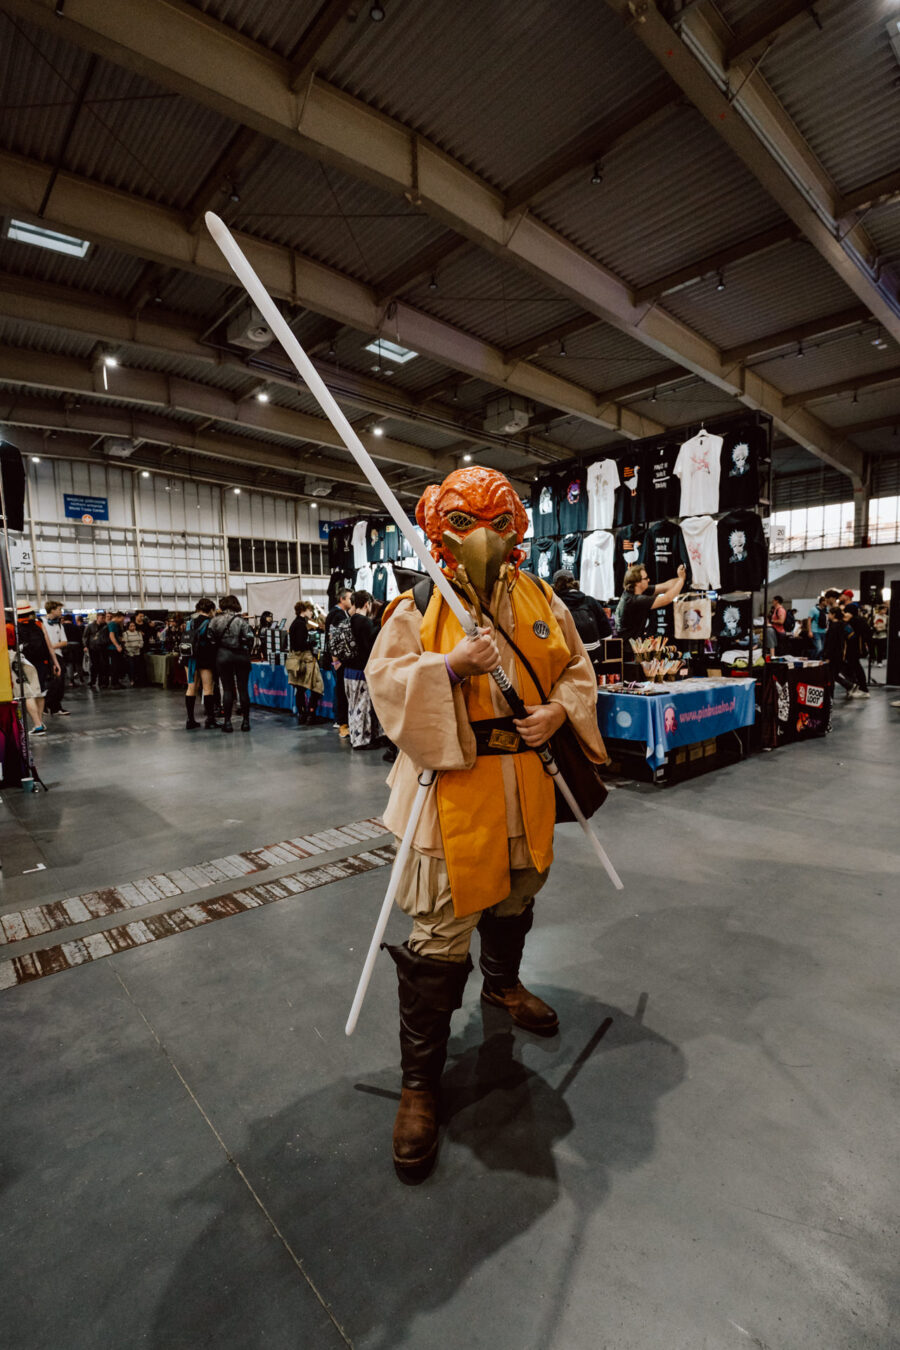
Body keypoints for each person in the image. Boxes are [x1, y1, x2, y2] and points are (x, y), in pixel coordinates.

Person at [366, 466, 607, 1181]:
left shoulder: (542, 599)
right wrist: (448, 665)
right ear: (441, 529)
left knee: (520, 890)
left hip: (526, 781)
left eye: (498, 522)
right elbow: (386, 684)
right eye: (467, 523)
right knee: (439, 929)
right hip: (451, 791)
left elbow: (576, 669)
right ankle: (419, 1084)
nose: (485, 538)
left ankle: (503, 983)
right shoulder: (415, 606)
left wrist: (560, 710)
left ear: (518, 529)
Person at [207, 595, 255, 733]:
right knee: (243, 689)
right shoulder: (242, 621)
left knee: (227, 690)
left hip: (223, 656)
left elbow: (210, 639)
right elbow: (249, 639)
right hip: (241, 656)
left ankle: (227, 723)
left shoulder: (214, 621)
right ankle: (245, 722)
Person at [552, 569, 611, 675]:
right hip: (594, 656)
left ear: (555, 585)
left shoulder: (556, 604)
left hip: (570, 657)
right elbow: (607, 633)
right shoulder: (589, 601)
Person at [343, 590, 382, 749]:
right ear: (367, 603)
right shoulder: (365, 623)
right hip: (361, 671)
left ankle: (354, 736)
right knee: (362, 707)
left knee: (353, 706)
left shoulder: (348, 621)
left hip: (348, 671)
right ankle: (361, 742)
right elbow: (371, 647)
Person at [614, 563, 686, 641]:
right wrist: (681, 580)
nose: (648, 580)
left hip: (632, 643)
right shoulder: (635, 600)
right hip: (629, 648)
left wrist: (681, 577)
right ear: (638, 583)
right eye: (646, 578)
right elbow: (667, 599)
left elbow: (665, 586)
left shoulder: (635, 590)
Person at [16, 602, 59, 717]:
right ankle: (40, 719)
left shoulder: (14, 626)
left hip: (24, 662)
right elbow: (49, 646)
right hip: (41, 662)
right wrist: (55, 663)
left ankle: (37, 723)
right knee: (40, 691)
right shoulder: (39, 624)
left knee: (28, 693)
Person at [7, 620, 47, 735]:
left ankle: (38, 725)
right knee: (37, 690)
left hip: (15, 659)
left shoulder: (9, 626)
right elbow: (46, 644)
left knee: (25, 692)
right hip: (35, 661)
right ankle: (39, 722)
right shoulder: (37, 624)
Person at [183, 598, 218, 729]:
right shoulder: (210, 622)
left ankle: (190, 720)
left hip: (189, 658)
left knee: (191, 687)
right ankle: (210, 720)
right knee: (208, 688)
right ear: (211, 609)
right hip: (205, 658)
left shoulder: (190, 622)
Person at [288, 600, 324, 724]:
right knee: (316, 686)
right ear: (304, 610)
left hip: (297, 660)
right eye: (309, 610)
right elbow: (300, 644)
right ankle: (310, 714)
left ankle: (302, 714)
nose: (311, 613)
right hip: (305, 660)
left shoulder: (296, 623)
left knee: (300, 688)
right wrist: (312, 643)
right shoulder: (300, 624)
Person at [325, 587, 353, 739]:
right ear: (342, 599)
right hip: (338, 661)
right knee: (341, 691)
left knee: (340, 690)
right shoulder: (337, 614)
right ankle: (340, 720)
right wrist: (336, 660)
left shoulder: (336, 613)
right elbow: (332, 636)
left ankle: (340, 719)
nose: (351, 601)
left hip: (337, 660)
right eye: (349, 598)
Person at [41, 600, 70, 717]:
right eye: (59, 609)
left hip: (58, 655)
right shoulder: (41, 623)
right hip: (45, 656)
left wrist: (51, 645)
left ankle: (54, 706)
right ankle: (48, 705)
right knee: (52, 681)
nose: (61, 611)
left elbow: (64, 642)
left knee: (60, 681)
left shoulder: (59, 624)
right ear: (52, 610)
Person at [842, 603, 870, 698]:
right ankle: (858, 687)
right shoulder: (860, 620)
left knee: (856, 668)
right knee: (854, 667)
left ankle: (863, 689)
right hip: (857, 648)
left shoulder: (855, 621)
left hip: (854, 648)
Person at [84, 610, 109, 687]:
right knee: (94, 665)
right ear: (97, 617)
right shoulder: (90, 626)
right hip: (93, 648)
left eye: (104, 618)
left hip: (103, 647)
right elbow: (85, 636)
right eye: (102, 618)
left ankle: (102, 682)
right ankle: (93, 680)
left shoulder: (106, 626)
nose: (103, 619)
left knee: (103, 665)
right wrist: (85, 646)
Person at [121, 620, 145, 686]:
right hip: (129, 652)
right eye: (131, 626)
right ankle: (132, 679)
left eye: (134, 626)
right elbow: (125, 643)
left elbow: (141, 641)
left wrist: (139, 646)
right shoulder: (125, 633)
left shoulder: (138, 633)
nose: (133, 627)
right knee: (131, 666)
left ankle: (137, 679)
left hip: (137, 651)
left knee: (137, 666)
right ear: (128, 627)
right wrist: (132, 646)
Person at [106, 610, 126, 687]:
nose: (122, 620)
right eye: (122, 619)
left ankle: (116, 682)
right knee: (115, 665)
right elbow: (111, 636)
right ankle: (114, 683)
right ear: (118, 617)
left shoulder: (114, 624)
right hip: (113, 648)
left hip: (114, 647)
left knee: (117, 665)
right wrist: (117, 645)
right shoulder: (112, 624)